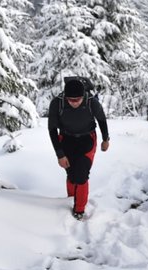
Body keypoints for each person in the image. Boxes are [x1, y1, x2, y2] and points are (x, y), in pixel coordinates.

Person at [47, 78, 110, 219]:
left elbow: (101, 119)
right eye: (71, 100)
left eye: (78, 99)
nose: (74, 103)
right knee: (71, 174)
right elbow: (52, 129)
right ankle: (70, 200)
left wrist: (106, 139)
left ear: (83, 96)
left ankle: (79, 210)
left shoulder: (91, 102)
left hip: (87, 139)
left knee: (81, 175)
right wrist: (60, 154)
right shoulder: (57, 103)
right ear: (65, 96)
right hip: (66, 140)